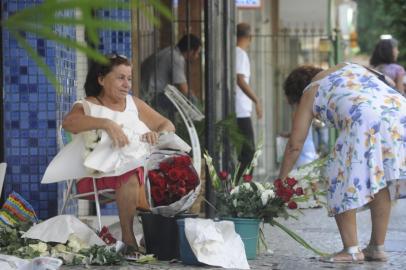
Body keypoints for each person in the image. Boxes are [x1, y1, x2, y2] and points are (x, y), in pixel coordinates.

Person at [279, 63, 406, 263]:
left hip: (365, 118)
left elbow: (295, 144)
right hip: (398, 111)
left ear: (297, 91)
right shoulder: (349, 65)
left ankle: (351, 250)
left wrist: (282, 180)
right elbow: (387, 81)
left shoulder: (311, 90)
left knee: (338, 173)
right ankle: (376, 247)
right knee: (380, 178)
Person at [62, 53, 175, 253]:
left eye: (129, 79)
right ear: (101, 79)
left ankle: (156, 236)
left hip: (140, 168)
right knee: (132, 173)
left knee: (170, 172)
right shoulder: (87, 104)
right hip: (98, 174)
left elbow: (166, 124)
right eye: (120, 78)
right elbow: (69, 123)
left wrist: (156, 135)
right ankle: (129, 239)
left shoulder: (134, 103)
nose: (127, 84)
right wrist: (106, 124)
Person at [140, 34, 201, 117]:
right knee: (191, 100)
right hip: (149, 96)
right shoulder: (176, 58)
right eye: (197, 53)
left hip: (144, 90)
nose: (197, 57)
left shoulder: (170, 51)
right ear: (190, 51)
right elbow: (184, 90)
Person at [235, 23, 263, 178]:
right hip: (240, 110)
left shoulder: (234, 53)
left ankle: (238, 185)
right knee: (249, 153)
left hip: (239, 109)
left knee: (245, 152)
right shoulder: (240, 54)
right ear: (249, 37)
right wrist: (257, 100)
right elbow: (240, 79)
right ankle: (240, 187)